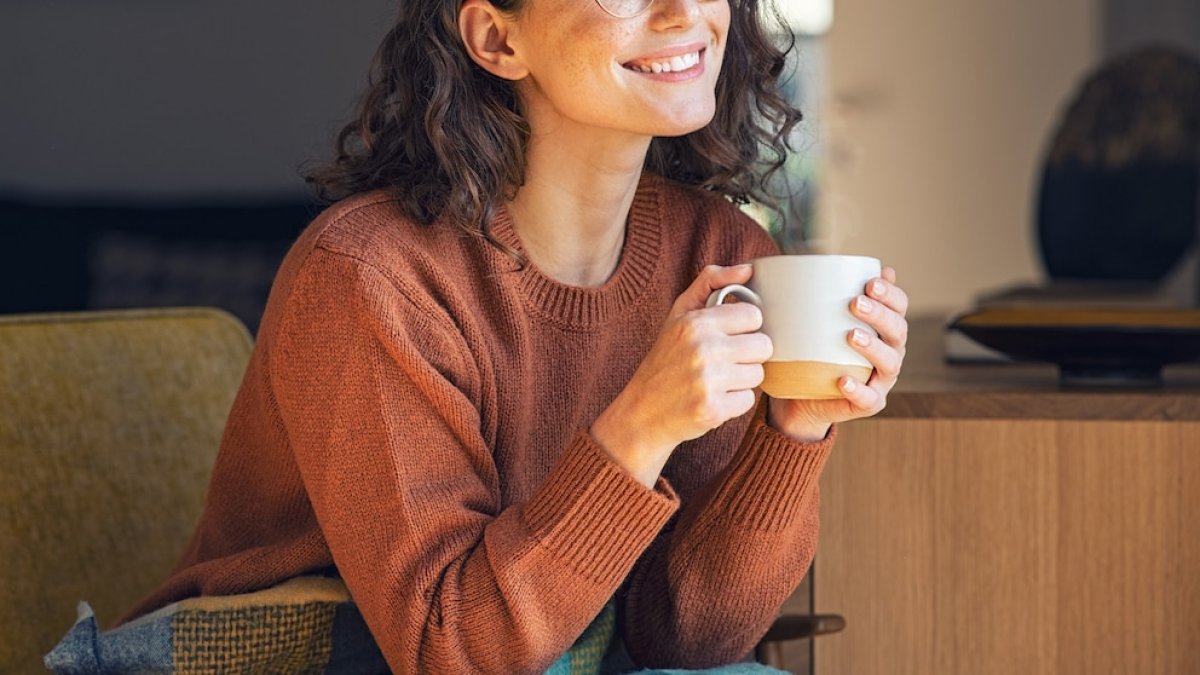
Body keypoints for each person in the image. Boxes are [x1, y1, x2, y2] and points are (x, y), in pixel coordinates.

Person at [122, 0, 909, 671]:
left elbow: (685, 638)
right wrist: (639, 427)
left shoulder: (722, 257)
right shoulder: (370, 275)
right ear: (498, 39)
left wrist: (791, 430)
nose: (685, 13)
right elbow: (446, 649)